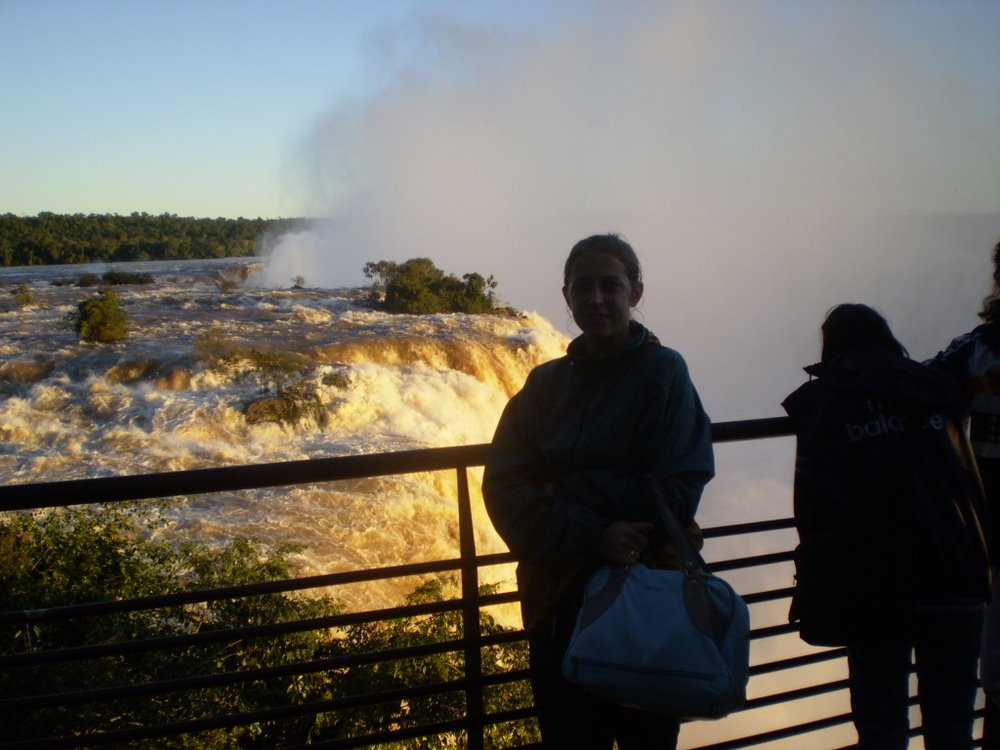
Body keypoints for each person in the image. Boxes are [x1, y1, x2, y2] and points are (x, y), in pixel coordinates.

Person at [481, 233, 715, 749]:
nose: (597, 299)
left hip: (642, 601)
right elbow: (503, 487)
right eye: (582, 288)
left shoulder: (664, 372)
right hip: (556, 608)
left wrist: (563, 495)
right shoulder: (544, 385)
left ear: (636, 292)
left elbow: (678, 485)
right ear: (566, 297)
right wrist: (594, 533)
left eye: (611, 285)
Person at [783, 303, 990, 750]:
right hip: (955, 570)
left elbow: (810, 508)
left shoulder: (818, 404)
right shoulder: (937, 384)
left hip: (869, 584)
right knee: (953, 729)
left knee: (881, 730)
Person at [928, 236, 1000, 748]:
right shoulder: (978, 350)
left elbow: (921, 383)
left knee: (996, 672)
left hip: (989, 529)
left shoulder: (978, 350)